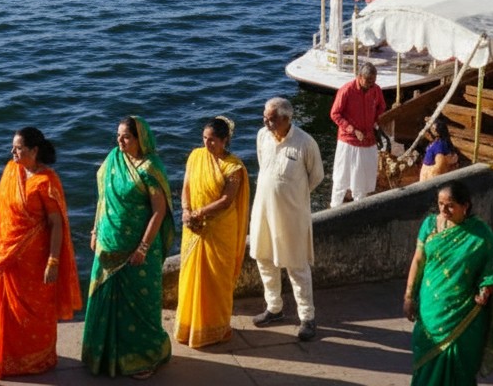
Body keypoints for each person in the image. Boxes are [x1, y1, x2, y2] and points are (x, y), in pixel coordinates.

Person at [0, 127, 81, 377]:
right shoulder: (12, 172)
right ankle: (8, 359)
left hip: (35, 262)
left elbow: (57, 224)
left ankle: (38, 360)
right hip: (7, 259)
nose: (13, 151)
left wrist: (53, 261)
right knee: (8, 313)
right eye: (13, 147)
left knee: (36, 313)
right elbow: (0, 213)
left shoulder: (47, 181)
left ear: (34, 151)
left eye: (19, 148)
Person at [82, 116, 174, 378]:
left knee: (140, 306)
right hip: (109, 244)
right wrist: (95, 229)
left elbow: (159, 211)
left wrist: (143, 247)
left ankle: (146, 358)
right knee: (104, 299)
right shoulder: (114, 158)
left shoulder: (150, 167)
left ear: (140, 139)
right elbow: (103, 197)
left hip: (138, 249)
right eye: (118, 135)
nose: (120, 141)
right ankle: (105, 356)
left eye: (126, 137)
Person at [403, 180, 493, 385]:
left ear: (465, 206)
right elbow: (418, 260)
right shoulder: (429, 226)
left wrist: (486, 289)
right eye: (440, 204)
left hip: (465, 313)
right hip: (431, 308)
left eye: (450, 205)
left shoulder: (480, 233)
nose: (444, 209)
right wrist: (408, 295)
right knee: (426, 360)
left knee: (460, 365)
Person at [248, 97, 324, 340]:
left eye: (270, 119)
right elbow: (263, 165)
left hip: (292, 216)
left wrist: (292, 196)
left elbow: (317, 177)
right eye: (265, 117)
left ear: (285, 118)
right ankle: (274, 307)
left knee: (297, 266)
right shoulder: (262, 136)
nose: (266, 122)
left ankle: (307, 317)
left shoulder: (305, 143)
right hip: (263, 212)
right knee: (264, 259)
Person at [176, 116, 250, 348]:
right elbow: (186, 187)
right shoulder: (196, 157)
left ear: (225, 140)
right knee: (190, 277)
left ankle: (214, 329)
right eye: (205, 139)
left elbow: (227, 201)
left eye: (213, 140)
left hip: (219, 231)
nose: (207, 144)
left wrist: (198, 214)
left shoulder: (233, 167)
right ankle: (189, 327)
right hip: (194, 229)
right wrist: (186, 210)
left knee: (217, 281)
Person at [329, 62, 387, 206]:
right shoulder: (346, 90)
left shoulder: (376, 90)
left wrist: (375, 122)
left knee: (362, 179)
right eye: (368, 81)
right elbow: (335, 114)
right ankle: (334, 207)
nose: (371, 84)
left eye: (373, 81)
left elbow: (381, 107)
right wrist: (352, 130)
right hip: (348, 141)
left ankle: (360, 206)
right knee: (341, 178)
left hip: (368, 140)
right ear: (360, 77)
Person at [418, 116, 459, 182]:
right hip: (427, 175)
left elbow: (439, 165)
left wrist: (430, 174)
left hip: (430, 177)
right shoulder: (438, 142)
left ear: (438, 131)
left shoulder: (440, 145)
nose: (432, 129)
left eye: (434, 128)